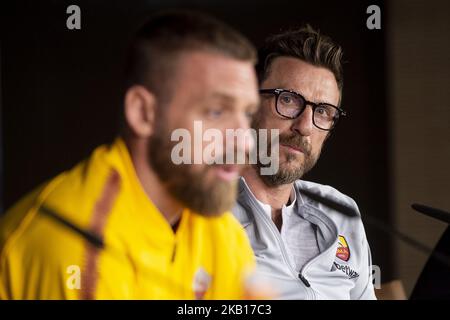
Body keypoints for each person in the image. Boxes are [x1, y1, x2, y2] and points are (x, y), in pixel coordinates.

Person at [0, 10, 260, 299]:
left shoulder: (224, 235)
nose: (245, 141)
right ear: (143, 112)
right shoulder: (76, 247)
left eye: (248, 114)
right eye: (216, 111)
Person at [232, 25, 377, 299]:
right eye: (287, 99)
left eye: (322, 111)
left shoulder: (341, 211)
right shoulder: (200, 212)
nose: (305, 126)